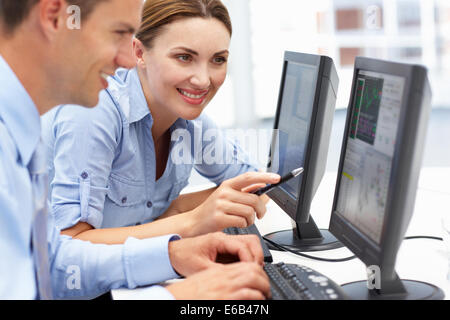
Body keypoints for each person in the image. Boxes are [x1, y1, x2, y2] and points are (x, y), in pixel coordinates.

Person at [0, 0, 277, 300]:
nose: (127, 60)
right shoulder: (88, 109)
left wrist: (172, 253)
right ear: (55, 18)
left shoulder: (20, 130)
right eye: (116, 33)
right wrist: (180, 294)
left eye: (218, 59)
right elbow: (66, 250)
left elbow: (54, 265)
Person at [41, 0, 275, 244]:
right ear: (140, 53)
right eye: (184, 57)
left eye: (218, 59)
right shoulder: (94, 110)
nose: (203, 80)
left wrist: (179, 208)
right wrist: (192, 219)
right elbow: (71, 244)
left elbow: (260, 187)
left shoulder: (188, 121)